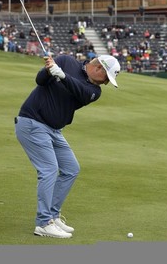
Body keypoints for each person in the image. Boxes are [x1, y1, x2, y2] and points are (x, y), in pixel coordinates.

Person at [14, 54, 120, 238]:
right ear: (99, 68)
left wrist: (61, 75)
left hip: (54, 130)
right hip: (32, 123)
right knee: (49, 169)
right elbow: (40, 81)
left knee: (71, 168)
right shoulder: (65, 61)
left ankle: (53, 216)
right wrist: (49, 70)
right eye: (107, 78)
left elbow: (79, 90)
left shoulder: (94, 91)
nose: (106, 83)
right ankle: (44, 222)